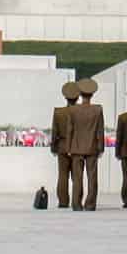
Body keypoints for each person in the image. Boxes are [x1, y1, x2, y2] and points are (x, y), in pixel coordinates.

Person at [67, 78, 104, 211]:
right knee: (92, 177)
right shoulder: (97, 110)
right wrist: (101, 148)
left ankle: (76, 204)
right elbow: (100, 131)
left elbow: (69, 130)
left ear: (80, 94)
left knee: (77, 178)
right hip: (92, 148)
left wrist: (69, 148)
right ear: (92, 94)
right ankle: (90, 204)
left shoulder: (73, 110)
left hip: (76, 148)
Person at [49, 80, 78, 209]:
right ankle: (77, 201)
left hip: (62, 145)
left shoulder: (58, 112)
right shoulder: (80, 112)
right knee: (77, 176)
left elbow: (55, 132)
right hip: (77, 146)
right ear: (77, 97)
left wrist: (53, 147)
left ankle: (63, 201)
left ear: (65, 97)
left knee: (63, 175)